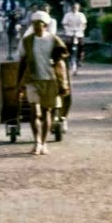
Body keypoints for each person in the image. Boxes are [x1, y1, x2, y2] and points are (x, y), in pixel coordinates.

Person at [17, 10, 68, 155]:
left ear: (46, 25)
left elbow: (61, 62)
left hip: (50, 80)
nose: (38, 26)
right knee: (34, 111)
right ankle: (37, 142)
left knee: (47, 112)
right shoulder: (26, 41)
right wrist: (18, 83)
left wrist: (63, 84)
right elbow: (22, 61)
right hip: (32, 79)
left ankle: (44, 143)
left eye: (40, 23)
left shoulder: (54, 40)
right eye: (34, 23)